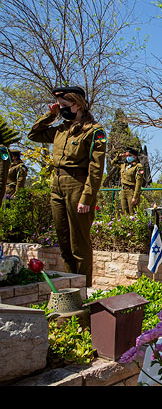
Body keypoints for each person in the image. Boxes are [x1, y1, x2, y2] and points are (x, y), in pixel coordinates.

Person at [28, 85, 107, 286]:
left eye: (64, 105)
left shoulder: (94, 131)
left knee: (79, 244)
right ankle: (71, 285)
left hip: (77, 186)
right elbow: (33, 135)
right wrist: (50, 115)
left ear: (78, 104)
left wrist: (87, 197)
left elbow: (96, 168)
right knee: (64, 242)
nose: (60, 108)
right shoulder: (60, 129)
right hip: (57, 185)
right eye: (59, 105)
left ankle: (83, 288)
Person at [117, 147, 145, 216]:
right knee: (125, 213)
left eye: (130, 155)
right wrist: (119, 156)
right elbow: (113, 162)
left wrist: (135, 196)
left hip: (131, 191)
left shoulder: (138, 166)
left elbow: (139, 183)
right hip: (123, 191)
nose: (128, 157)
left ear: (135, 156)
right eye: (126, 156)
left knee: (133, 213)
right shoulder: (124, 165)